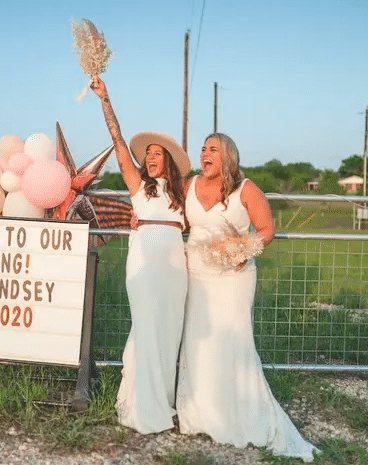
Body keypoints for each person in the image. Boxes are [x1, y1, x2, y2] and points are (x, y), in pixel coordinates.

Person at [176, 133, 319, 461]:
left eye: (213, 149)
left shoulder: (247, 189)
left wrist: (242, 251)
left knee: (233, 343)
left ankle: (237, 415)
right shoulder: (189, 186)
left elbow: (266, 229)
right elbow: (179, 221)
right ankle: (198, 414)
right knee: (199, 341)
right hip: (196, 277)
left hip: (234, 279)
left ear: (228, 156)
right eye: (203, 149)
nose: (205, 153)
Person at [90, 75, 190, 434]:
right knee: (147, 326)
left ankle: (162, 400)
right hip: (144, 265)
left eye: (156, 154)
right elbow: (118, 142)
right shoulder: (138, 187)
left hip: (177, 270)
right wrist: (106, 99)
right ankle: (142, 404)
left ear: (168, 162)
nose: (149, 158)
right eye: (147, 154)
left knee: (168, 330)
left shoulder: (184, 194)